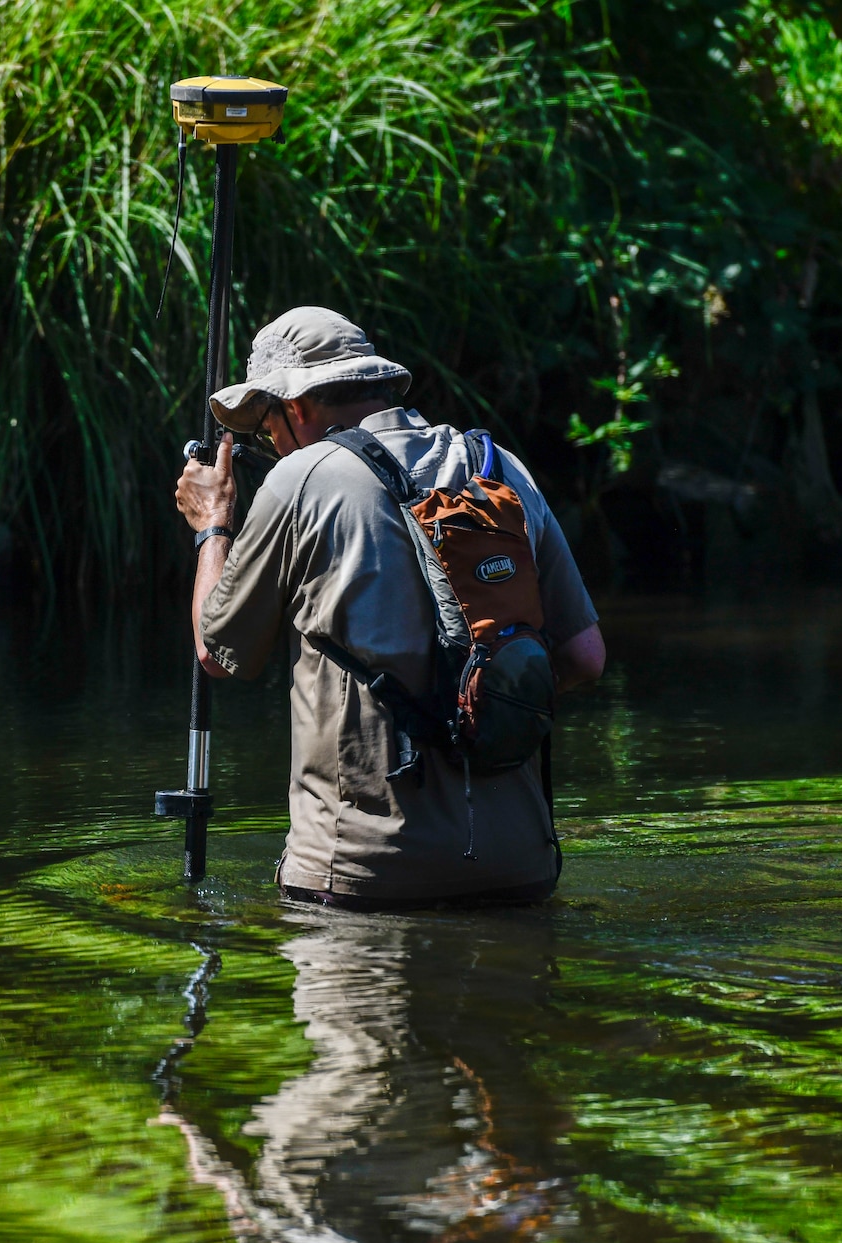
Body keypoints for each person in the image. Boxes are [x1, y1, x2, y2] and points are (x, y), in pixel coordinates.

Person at [174, 307, 605, 908]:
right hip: (522, 867)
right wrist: (473, 706)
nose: (269, 445)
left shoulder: (301, 476)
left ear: (295, 409)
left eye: (267, 428)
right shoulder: (500, 467)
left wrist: (212, 525)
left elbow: (215, 652)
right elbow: (584, 657)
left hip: (361, 876)